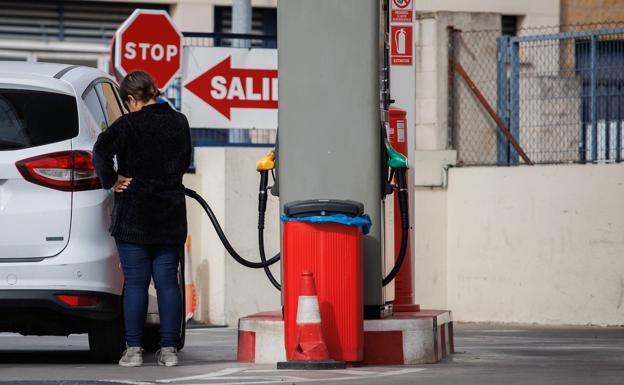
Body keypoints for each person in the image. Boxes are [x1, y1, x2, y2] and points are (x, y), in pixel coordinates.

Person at [92, 71, 191, 367]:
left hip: (134, 213)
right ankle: (169, 351)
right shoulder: (179, 122)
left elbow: (100, 150)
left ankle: (134, 351)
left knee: (135, 283)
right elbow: (184, 158)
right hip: (169, 213)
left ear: (133, 100)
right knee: (167, 283)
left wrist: (112, 179)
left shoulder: (128, 123)